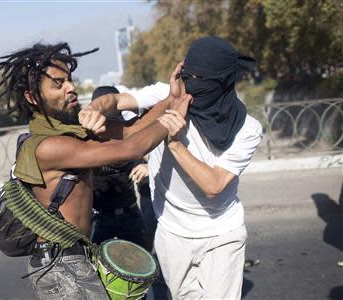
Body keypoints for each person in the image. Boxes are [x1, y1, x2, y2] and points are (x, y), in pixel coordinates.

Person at [0, 42, 191, 300]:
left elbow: (132, 130)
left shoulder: (70, 130)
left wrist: (172, 98)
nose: (71, 88)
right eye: (58, 84)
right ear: (32, 97)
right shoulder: (48, 146)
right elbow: (131, 149)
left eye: (69, 80)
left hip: (78, 255)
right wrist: (170, 120)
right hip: (59, 265)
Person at [81, 36, 263, 299]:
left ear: (223, 81)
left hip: (221, 234)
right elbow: (117, 100)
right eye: (189, 76)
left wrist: (175, 144)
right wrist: (94, 108)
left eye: (202, 80)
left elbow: (214, 185)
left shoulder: (248, 128)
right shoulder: (166, 97)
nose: (192, 87)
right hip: (172, 234)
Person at [89, 86, 150, 250]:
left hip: (130, 214)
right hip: (100, 218)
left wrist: (147, 166)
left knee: (142, 265)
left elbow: (146, 154)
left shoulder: (127, 134)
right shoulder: (87, 142)